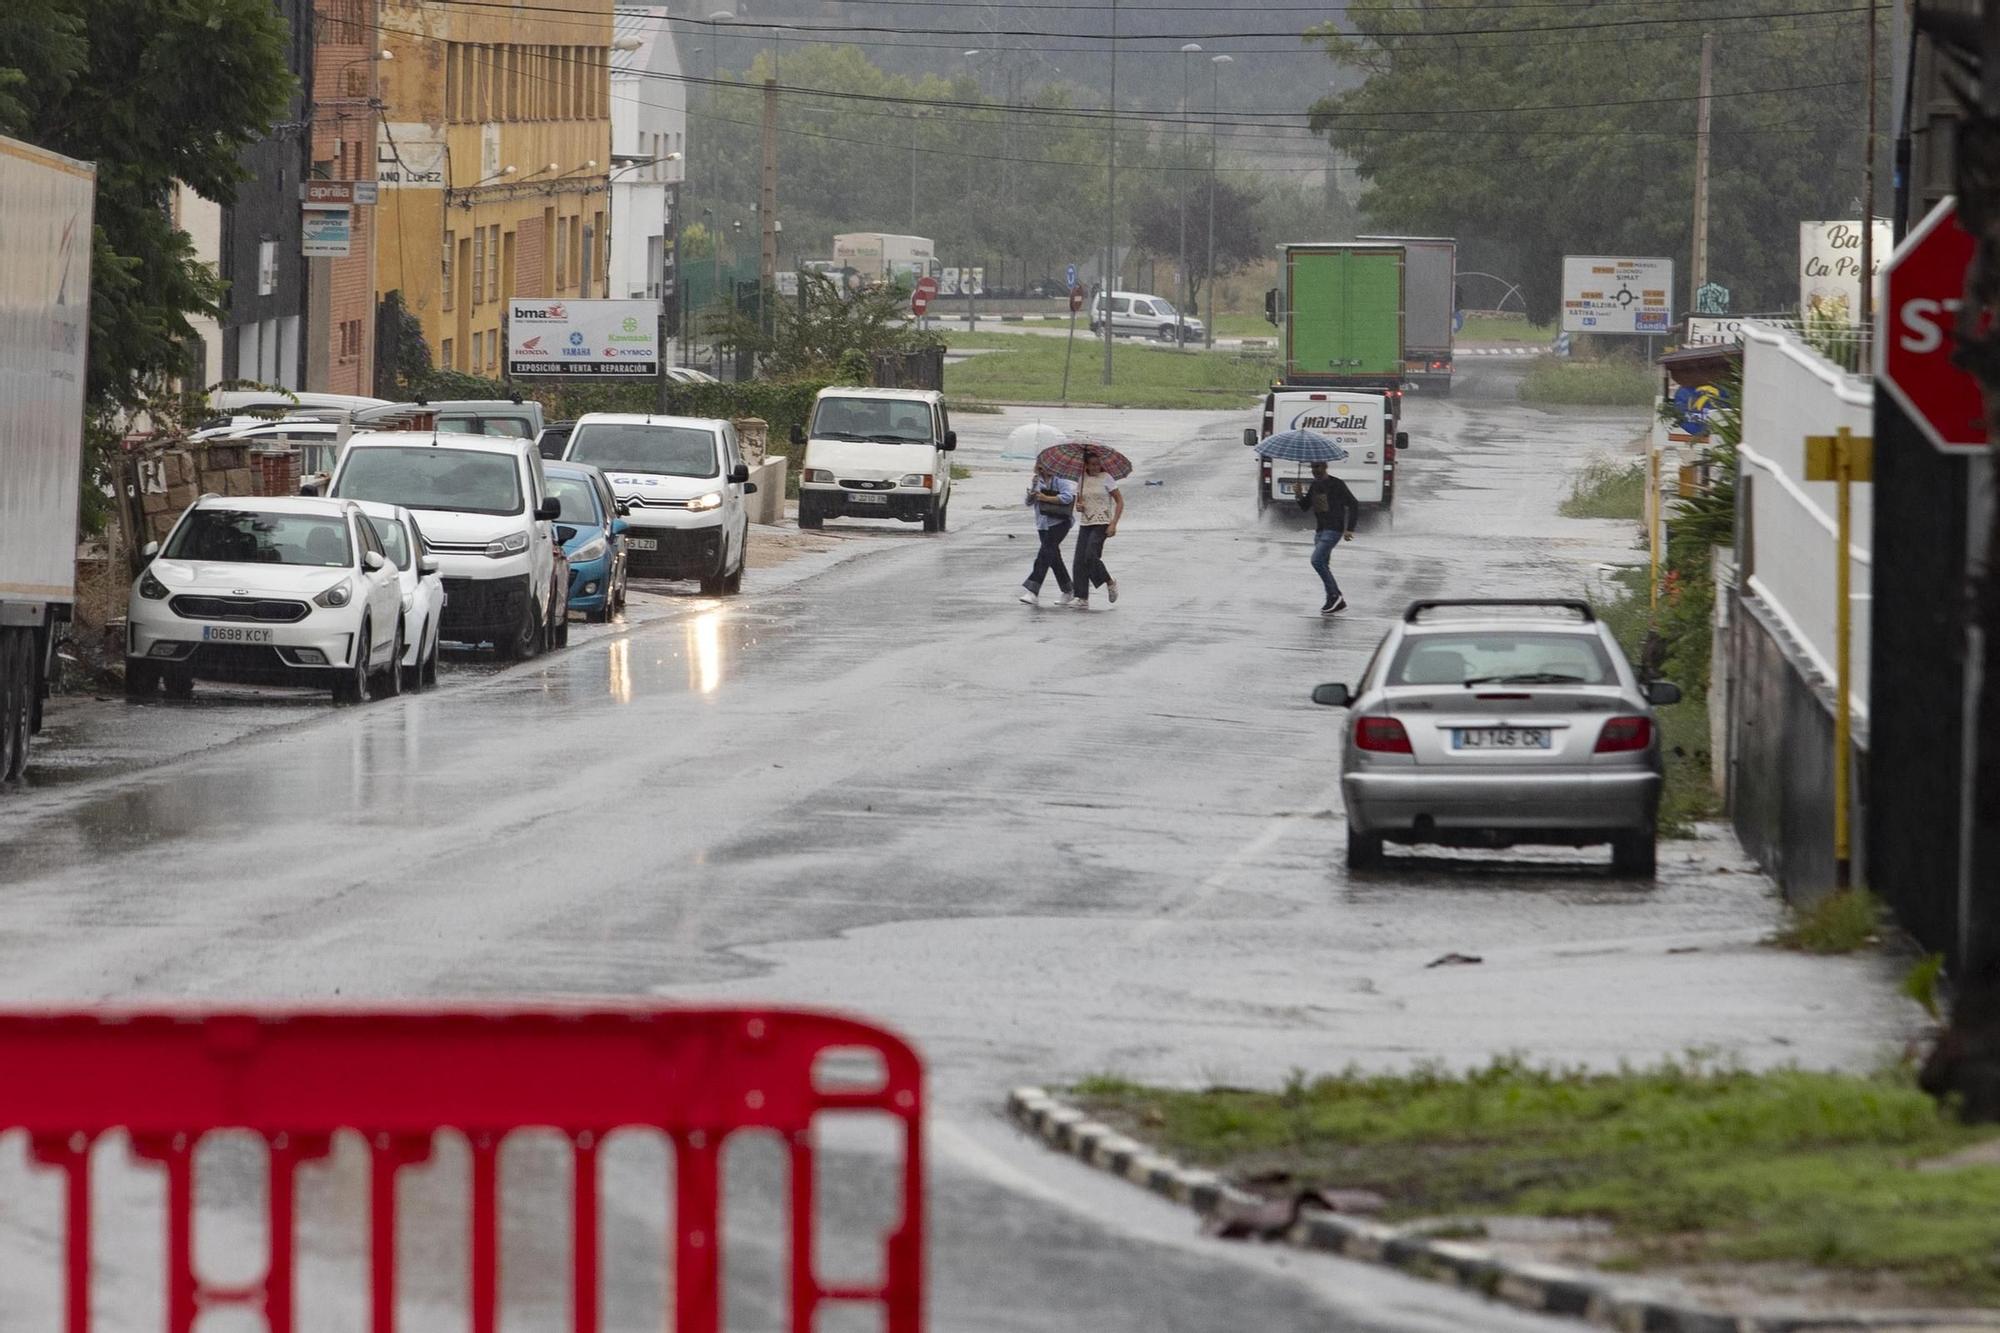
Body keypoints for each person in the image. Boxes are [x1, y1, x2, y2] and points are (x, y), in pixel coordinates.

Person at [1296, 460, 1358, 615]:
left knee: (1316, 560)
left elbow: (1353, 504)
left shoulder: (1337, 484)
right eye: (1312, 468)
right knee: (1323, 564)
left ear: (1325, 467)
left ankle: (1335, 595)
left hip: (1333, 529)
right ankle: (1335, 600)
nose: (1314, 470)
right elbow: (1305, 507)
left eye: (1317, 467)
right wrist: (1298, 495)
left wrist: (1349, 528)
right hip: (1320, 531)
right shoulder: (1315, 485)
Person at [1070, 449, 1123, 609]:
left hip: (1102, 523)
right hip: (1086, 522)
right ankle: (1081, 597)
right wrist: (1078, 506)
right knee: (1079, 560)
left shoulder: (1106, 478)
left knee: (1091, 555)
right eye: (1092, 464)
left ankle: (1110, 582)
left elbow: (1120, 501)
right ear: (1086, 465)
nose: (1095, 467)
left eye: (1098, 464)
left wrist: (1113, 523)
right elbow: (1079, 503)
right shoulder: (1082, 479)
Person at [1020, 466, 1077, 605]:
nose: (1049, 469)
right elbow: (1028, 502)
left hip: (1059, 523)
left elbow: (1068, 497)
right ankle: (1069, 590)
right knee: (1054, 558)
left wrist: (1046, 497)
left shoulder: (1061, 480)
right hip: (1042, 524)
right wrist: (1033, 489)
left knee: (1044, 554)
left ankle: (1033, 590)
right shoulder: (1037, 481)